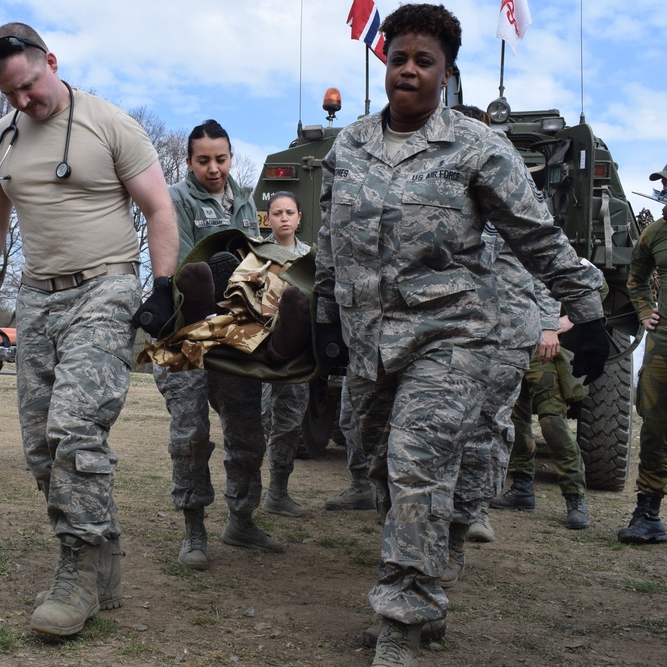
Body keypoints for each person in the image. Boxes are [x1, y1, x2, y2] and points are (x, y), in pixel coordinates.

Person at [312, 5, 609, 666]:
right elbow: (331, 235)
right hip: (370, 340)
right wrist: (327, 313)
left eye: (424, 61)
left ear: (446, 74)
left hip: (449, 336)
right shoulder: (349, 146)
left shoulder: (477, 148)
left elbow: (535, 232)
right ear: (383, 63)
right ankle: (428, 580)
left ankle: (400, 622)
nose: (408, 71)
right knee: (381, 465)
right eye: (399, 59)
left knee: (418, 465)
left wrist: (584, 307)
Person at [0, 23, 178, 638]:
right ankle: (101, 555)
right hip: (37, 297)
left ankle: (75, 571)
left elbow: (159, 207)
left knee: (75, 427)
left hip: (106, 286)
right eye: (9, 94)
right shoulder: (2, 138)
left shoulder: (110, 124)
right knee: (40, 446)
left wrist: (161, 287)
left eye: (28, 86)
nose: (22, 102)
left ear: (50, 61)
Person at [153, 119, 284, 574]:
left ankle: (241, 519)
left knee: (247, 431)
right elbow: (185, 269)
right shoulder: (172, 200)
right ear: (189, 161)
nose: (214, 168)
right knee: (191, 435)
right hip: (186, 334)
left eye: (221, 159)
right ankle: (194, 530)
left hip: (235, 336)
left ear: (231, 157)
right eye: (203, 160)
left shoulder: (245, 201)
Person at [490, 314, 591, 529]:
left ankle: (575, 497)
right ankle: (522, 487)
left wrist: (569, 318)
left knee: (553, 424)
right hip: (509, 348)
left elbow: (596, 286)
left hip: (543, 349)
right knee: (514, 422)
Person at [619, 165, 667, 544]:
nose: (665, 188)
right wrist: (644, 309)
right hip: (663, 343)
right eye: (665, 182)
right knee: (654, 426)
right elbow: (635, 278)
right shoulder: (655, 233)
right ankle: (648, 514)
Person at [260, 191, 312, 517]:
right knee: (261, 418)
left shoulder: (311, 258)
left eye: (289, 212)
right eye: (277, 212)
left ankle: (278, 492)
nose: (283, 218)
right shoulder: (255, 253)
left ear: (298, 218)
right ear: (268, 218)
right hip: (260, 350)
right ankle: (250, 495)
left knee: (290, 421)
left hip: (298, 354)